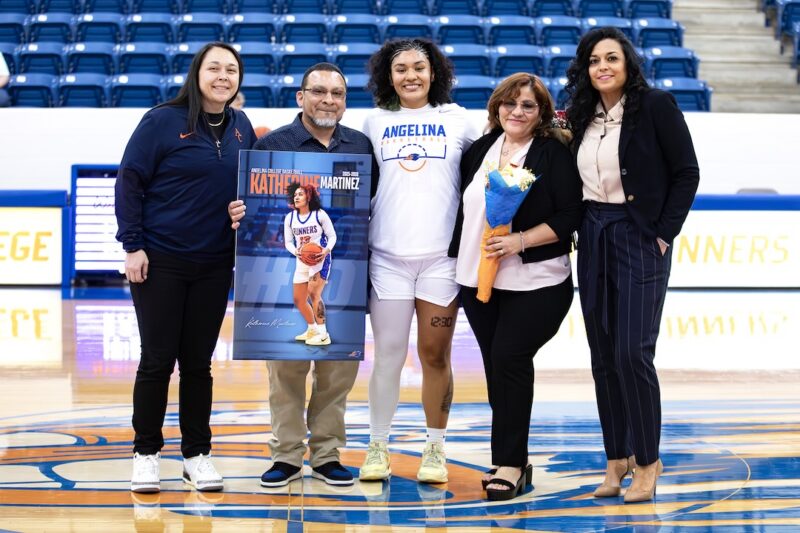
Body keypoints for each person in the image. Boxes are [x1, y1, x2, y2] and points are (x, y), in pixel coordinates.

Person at [115, 42, 257, 493]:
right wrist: (133, 246)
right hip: (162, 261)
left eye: (231, 70)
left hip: (215, 263)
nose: (223, 76)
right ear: (197, 74)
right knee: (157, 361)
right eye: (214, 68)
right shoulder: (161, 121)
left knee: (198, 364)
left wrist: (243, 210)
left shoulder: (242, 127)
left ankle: (197, 455)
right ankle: (146, 454)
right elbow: (129, 182)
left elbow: (250, 189)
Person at [565, 27, 700, 502]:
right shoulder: (582, 115)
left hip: (639, 234)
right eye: (594, 60)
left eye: (611, 59)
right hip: (594, 232)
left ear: (627, 64)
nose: (602, 67)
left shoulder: (655, 106)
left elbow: (687, 172)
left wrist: (663, 232)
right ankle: (615, 459)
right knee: (603, 357)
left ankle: (647, 460)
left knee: (631, 353)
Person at [228, 62, 373, 488]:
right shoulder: (272, 145)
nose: (328, 100)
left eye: (337, 94)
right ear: (300, 97)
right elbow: (250, 211)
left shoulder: (360, 146)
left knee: (337, 373)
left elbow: (371, 206)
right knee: (287, 370)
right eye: (319, 91)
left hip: (343, 268)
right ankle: (287, 456)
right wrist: (238, 213)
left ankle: (327, 454)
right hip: (284, 267)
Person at [448, 73, 582, 500]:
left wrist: (518, 241)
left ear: (541, 112)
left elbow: (569, 217)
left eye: (528, 105)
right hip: (479, 281)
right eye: (510, 104)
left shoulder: (551, 154)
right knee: (498, 369)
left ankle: (510, 461)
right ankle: (512, 459)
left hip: (538, 282)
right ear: (497, 107)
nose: (517, 112)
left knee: (509, 358)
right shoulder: (479, 151)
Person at [358, 38, 478, 484]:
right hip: (387, 258)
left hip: (440, 261)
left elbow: (506, 144)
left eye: (419, 67)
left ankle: (434, 449)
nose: (411, 75)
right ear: (388, 76)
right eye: (401, 68)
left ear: (435, 73)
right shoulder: (374, 121)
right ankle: (377, 448)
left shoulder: (458, 119)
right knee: (387, 356)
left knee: (434, 355)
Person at [283, 182, 336, 346]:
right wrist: (296, 252)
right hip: (302, 260)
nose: (296, 197)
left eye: (300, 194)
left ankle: (323, 334)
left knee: (314, 294)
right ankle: (312, 328)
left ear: (309, 196)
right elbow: (288, 242)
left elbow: (332, 236)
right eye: (295, 195)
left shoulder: (319, 215)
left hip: (320, 259)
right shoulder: (290, 217)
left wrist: (326, 251)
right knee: (298, 299)